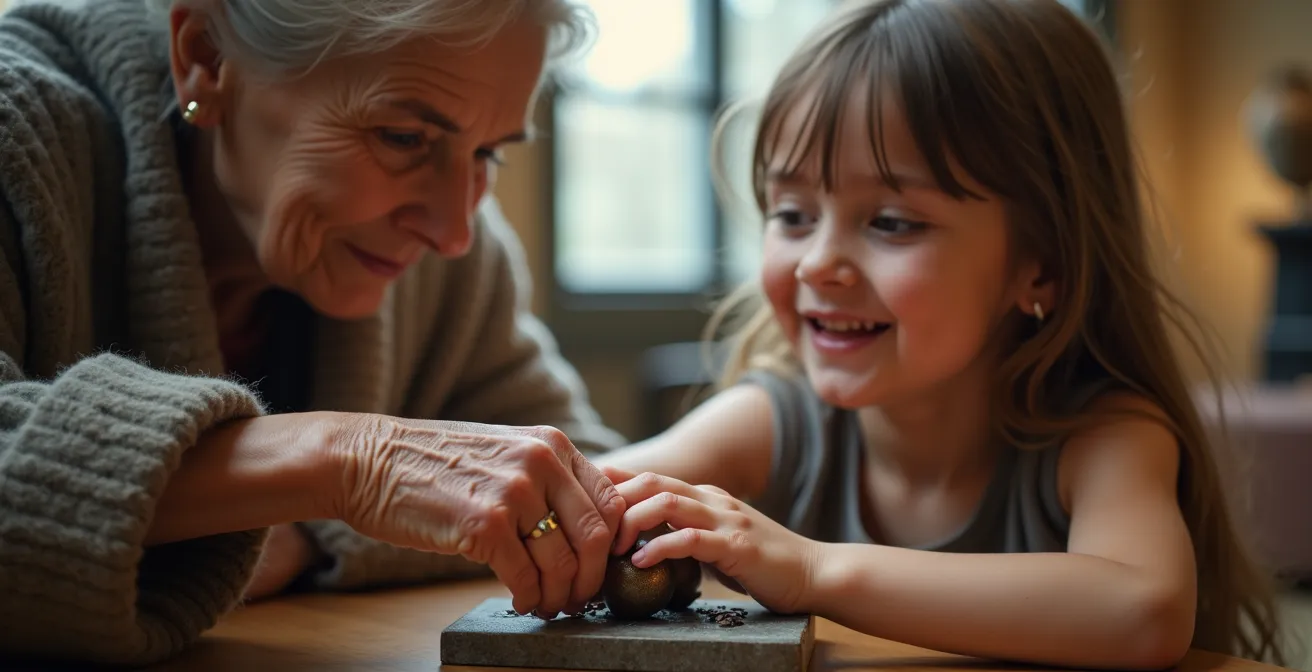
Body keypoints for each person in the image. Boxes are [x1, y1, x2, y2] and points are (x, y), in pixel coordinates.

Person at [595, 0, 1288, 668]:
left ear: (1041, 266)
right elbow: (581, 500)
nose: (816, 263)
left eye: (893, 221)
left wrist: (812, 567)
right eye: (793, 213)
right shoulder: (779, 422)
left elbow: (1145, 611)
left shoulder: (1102, 436)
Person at [0, 0, 628, 666]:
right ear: (206, 59)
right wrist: (353, 461)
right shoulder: (21, 137)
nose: (453, 234)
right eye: (403, 138)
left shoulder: (453, 267)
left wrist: (310, 536)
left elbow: (571, 490)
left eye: (488, 152)